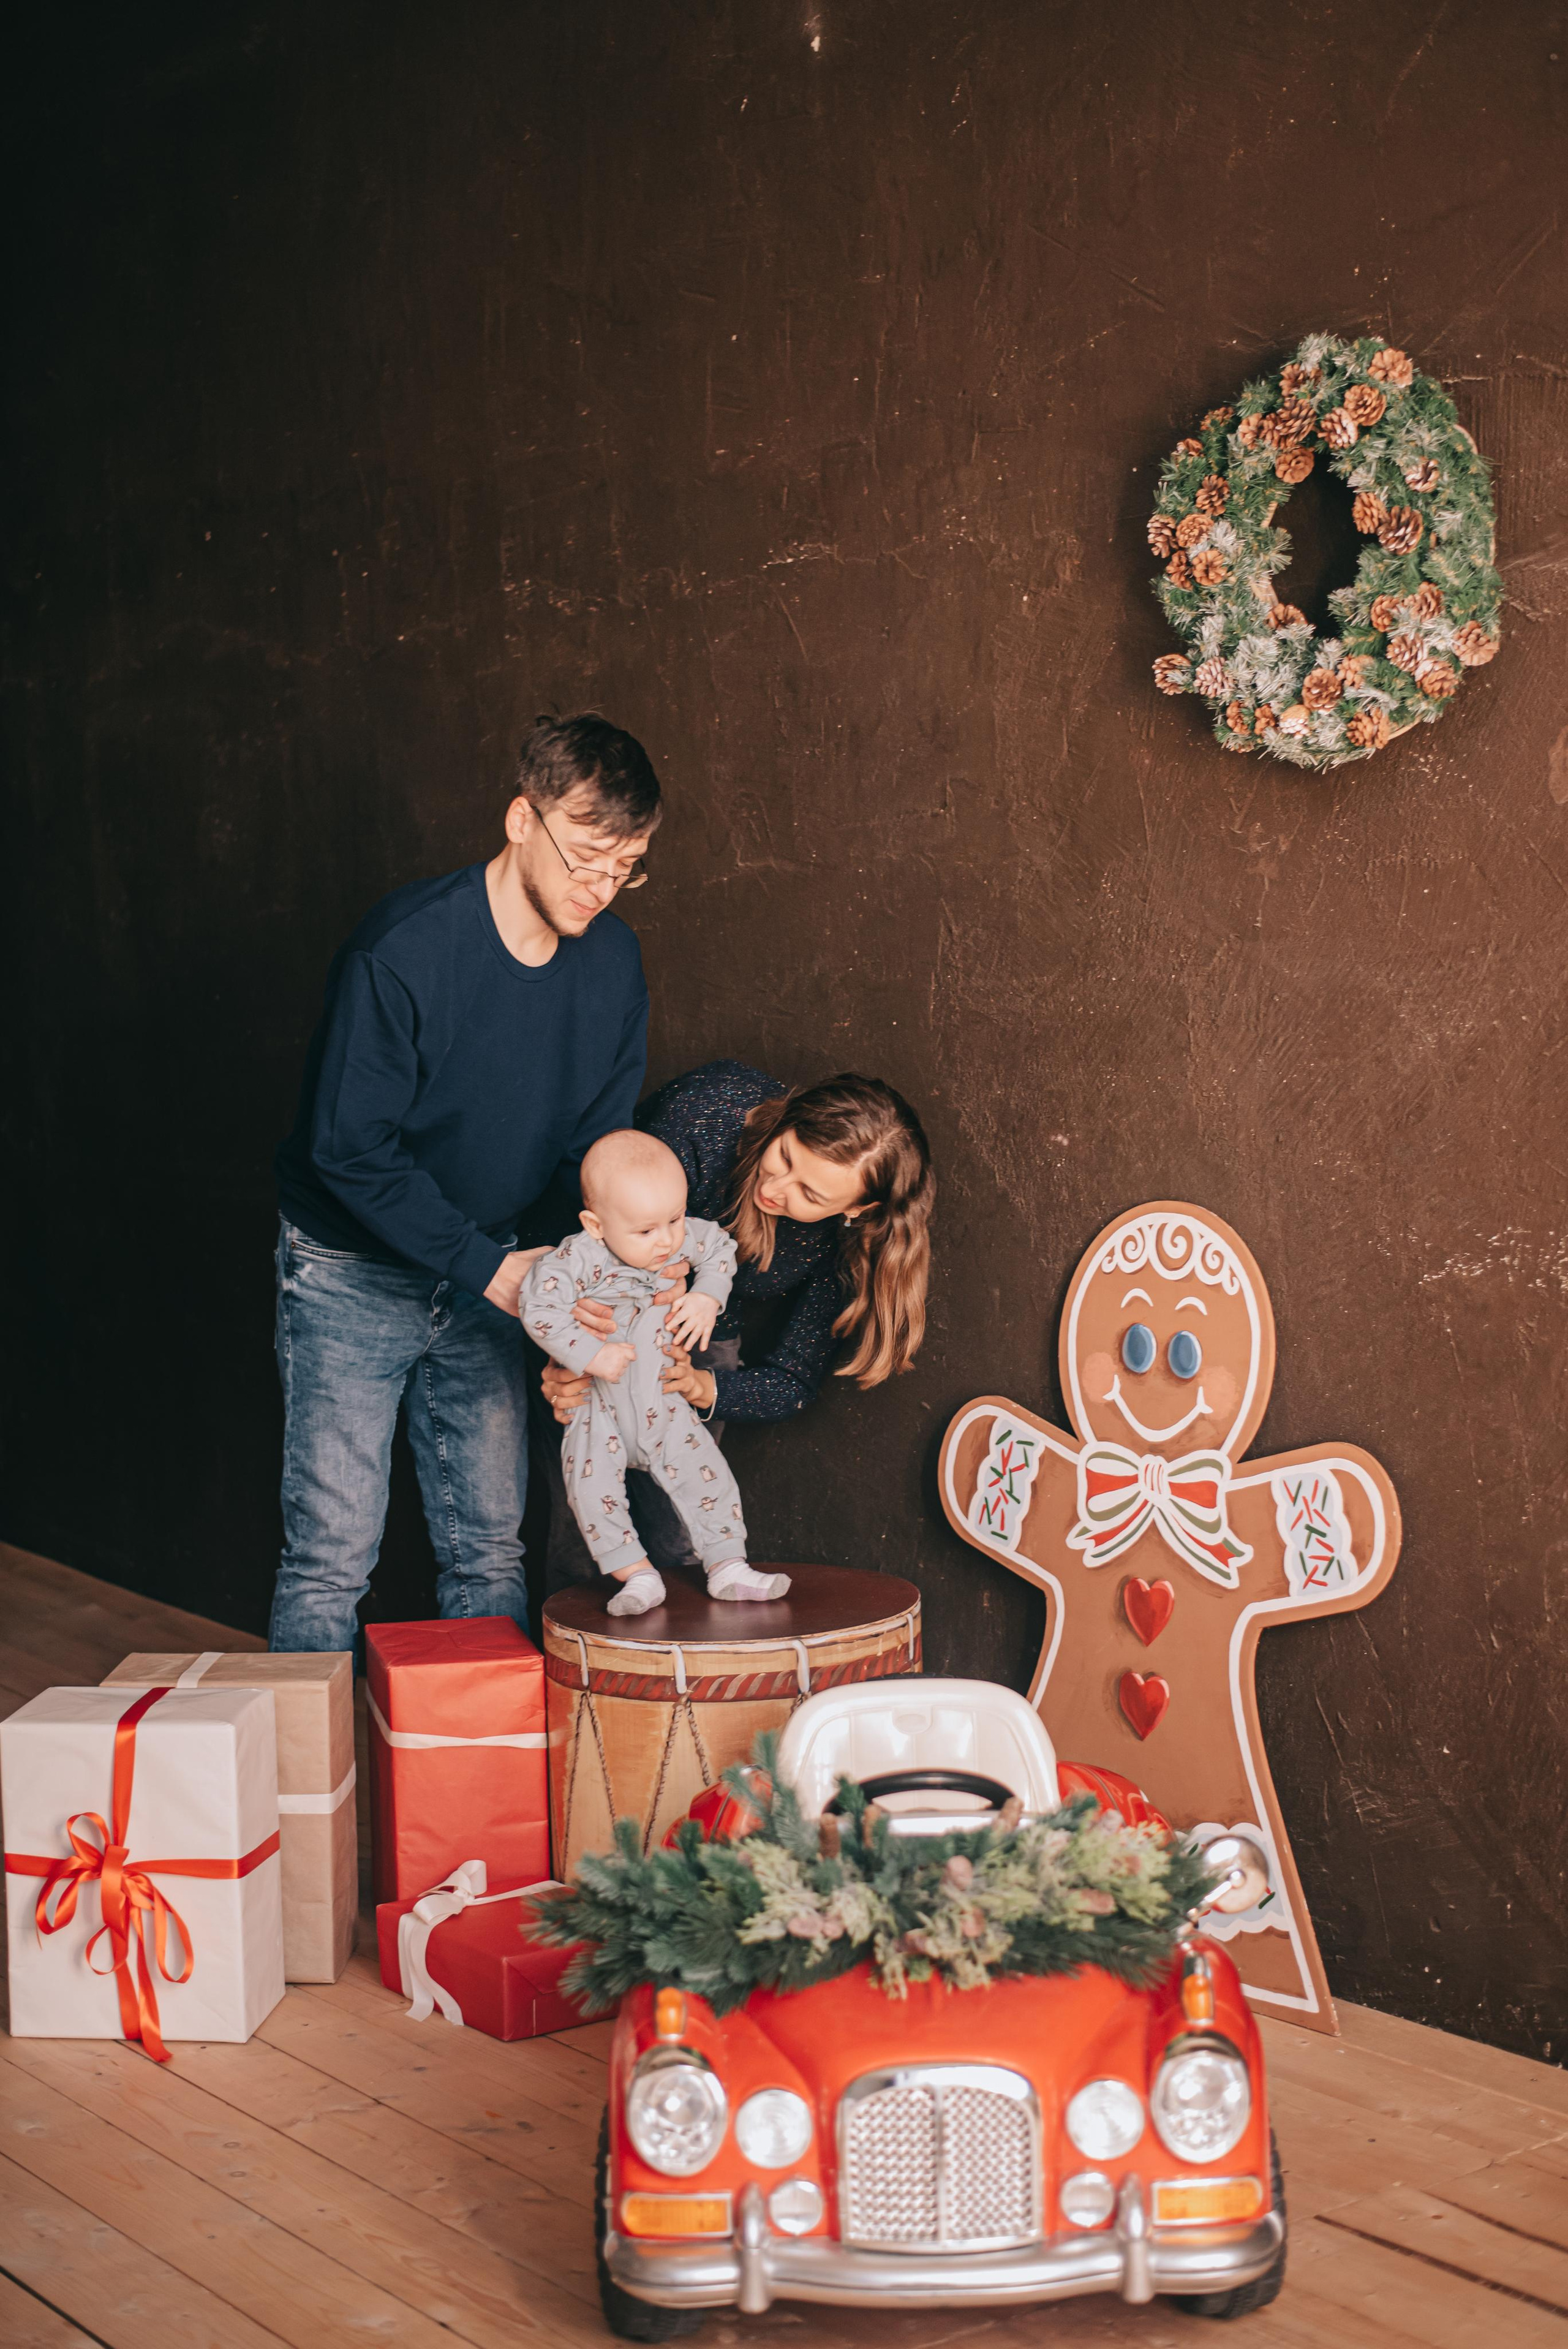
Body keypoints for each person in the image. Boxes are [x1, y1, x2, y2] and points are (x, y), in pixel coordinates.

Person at [268, 713, 660, 1654]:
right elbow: (347, 1149)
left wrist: (577, 1294)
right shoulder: (403, 950)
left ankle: (484, 1799)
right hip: (353, 1269)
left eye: (629, 866)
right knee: (331, 1557)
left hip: (501, 1264)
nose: (601, 888)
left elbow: (592, 1156)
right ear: (522, 818)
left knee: (491, 1551)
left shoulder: (612, 965)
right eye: (585, 858)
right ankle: (297, 1799)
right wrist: (493, 1271)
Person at [538, 1062, 935, 1591]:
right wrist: (567, 1352)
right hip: (599, 1321)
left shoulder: (847, 1245)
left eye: (811, 1196)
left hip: (700, 1340)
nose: (777, 1188)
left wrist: (705, 1387)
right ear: (787, 1119)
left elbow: (792, 1382)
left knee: (682, 1533)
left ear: (859, 1209)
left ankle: (691, 1654)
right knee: (580, 1529)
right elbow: (589, 1226)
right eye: (786, 1156)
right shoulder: (709, 1112)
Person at [521, 1129, 789, 1616]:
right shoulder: (575, 1259)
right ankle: (637, 1576)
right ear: (595, 1224)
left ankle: (728, 1566)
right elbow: (538, 1307)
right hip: (595, 1410)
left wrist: (707, 1294)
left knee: (709, 1480)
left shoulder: (683, 1236)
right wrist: (588, 1354)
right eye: (647, 1231)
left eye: (674, 1218)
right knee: (592, 1495)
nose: (667, 1239)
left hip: (662, 1401)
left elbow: (720, 1248)